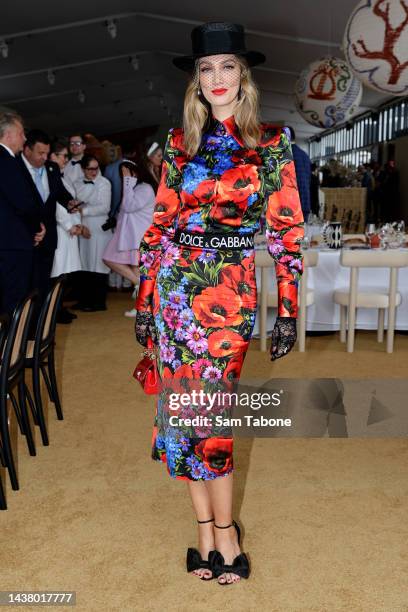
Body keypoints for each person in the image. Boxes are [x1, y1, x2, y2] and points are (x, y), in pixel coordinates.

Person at [135, 22, 304, 585]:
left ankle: (227, 534)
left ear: (244, 76)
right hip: (176, 295)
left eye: (226, 66)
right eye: (206, 69)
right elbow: (160, 226)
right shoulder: (180, 144)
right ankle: (204, 531)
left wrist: (289, 308)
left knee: (215, 419)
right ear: (196, 82)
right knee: (182, 419)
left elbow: (286, 233)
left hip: (229, 296)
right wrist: (143, 300)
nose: (216, 78)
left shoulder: (273, 144)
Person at [18, 129, 78, 327]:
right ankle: (22, 335)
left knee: (44, 286)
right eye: (40, 153)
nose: (44, 157)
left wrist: (69, 202)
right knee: (24, 288)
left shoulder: (51, 168)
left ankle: (40, 330)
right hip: (26, 238)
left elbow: (58, 192)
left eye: (46, 153)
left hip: (49, 239)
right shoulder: (15, 167)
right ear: (27, 150)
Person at [0, 111, 45, 315]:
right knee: (15, 299)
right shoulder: (6, 161)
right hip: (12, 243)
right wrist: (37, 229)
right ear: (8, 136)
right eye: (21, 133)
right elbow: (23, 203)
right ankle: (13, 346)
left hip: (8, 241)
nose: (24, 138)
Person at [102, 159, 155, 317]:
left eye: (127, 172)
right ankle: (143, 288)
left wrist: (127, 181)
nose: (124, 176)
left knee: (135, 269)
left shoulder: (145, 188)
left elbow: (128, 206)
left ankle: (142, 304)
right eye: (122, 174)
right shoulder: (135, 187)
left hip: (137, 236)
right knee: (109, 258)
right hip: (128, 236)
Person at [49, 140, 83, 324]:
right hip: (61, 230)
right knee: (58, 270)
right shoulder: (51, 177)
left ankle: (60, 306)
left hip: (70, 229)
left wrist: (77, 223)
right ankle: (54, 309)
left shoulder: (64, 177)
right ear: (52, 156)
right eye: (63, 155)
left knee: (65, 273)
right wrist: (70, 225)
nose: (65, 159)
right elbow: (56, 207)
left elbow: (72, 201)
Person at [73, 155, 111, 311]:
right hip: (82, 226)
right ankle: (84, 300)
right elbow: (73, 203)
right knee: (84, 262)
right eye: (90, 169)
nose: (94, 172)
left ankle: (99, 302)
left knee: (98, 264)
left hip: (99, 227)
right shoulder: (76, 183)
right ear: (83, 169)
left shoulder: (104, 183)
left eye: (96, 168)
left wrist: (83, 209)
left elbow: (104, 207)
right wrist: (79, 215)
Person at [288, 126, 311, 220]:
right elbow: (308, 179)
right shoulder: (305, 155)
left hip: (290, 204)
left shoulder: (285, 155)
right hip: (305, 201)